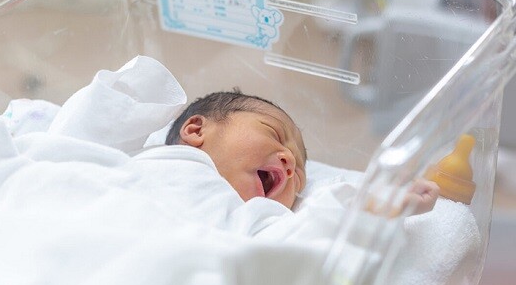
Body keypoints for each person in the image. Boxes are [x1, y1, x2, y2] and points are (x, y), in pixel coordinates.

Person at [165, 90, 439, 214]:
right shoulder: (154, 167)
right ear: (196, 130)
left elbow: (319, 229)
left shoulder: (261, 225)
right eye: (274, 134)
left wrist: (381, 203)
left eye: (298, 174)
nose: (289, 162)